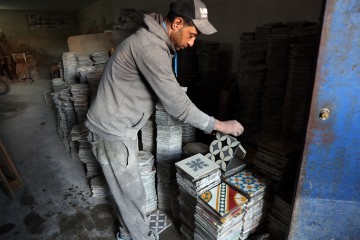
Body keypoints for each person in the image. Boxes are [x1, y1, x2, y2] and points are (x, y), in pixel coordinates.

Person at [85, 0, 244, 239]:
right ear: (177, 23)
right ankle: (136, 237)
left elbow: (166, 91)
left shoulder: (155, 42)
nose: (192, 43)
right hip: (112, 131)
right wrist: (219, 125)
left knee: (132, 194)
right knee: (131, 197)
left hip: (119, 126)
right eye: (191, 36)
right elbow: (177, 105)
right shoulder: (149, 46)